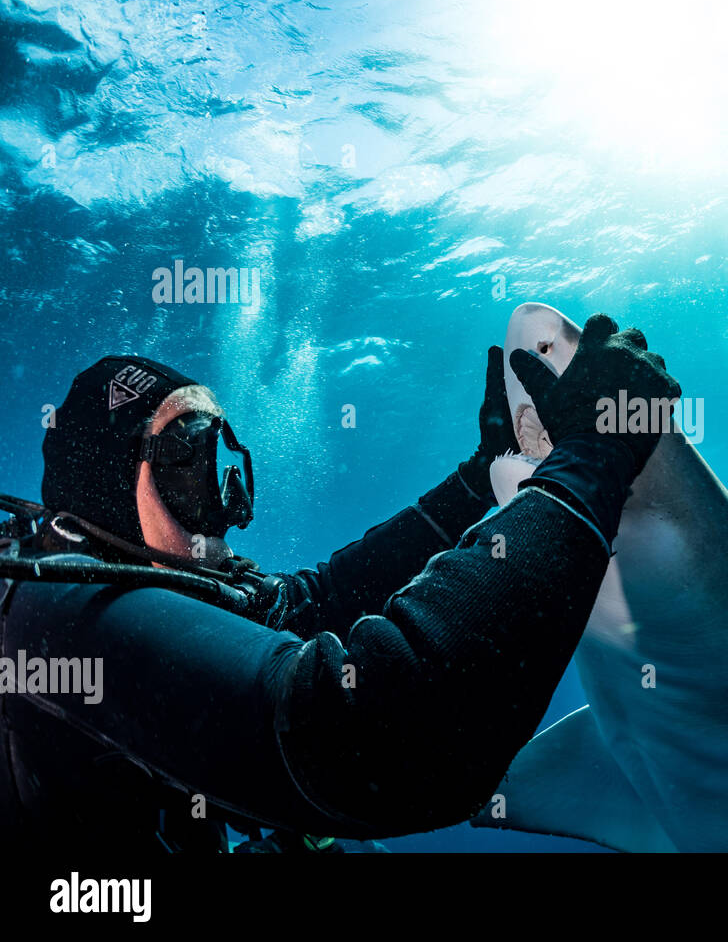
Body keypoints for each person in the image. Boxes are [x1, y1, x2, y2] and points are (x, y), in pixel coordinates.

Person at [0, 313, 678, 851]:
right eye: (188, 463)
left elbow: (317, 598)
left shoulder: (165, 580)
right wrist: (592, 462)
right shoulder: (55, 620)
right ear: (108, 487)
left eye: (222, 461)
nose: (223, 505)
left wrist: (481, 478)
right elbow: (369, 735)